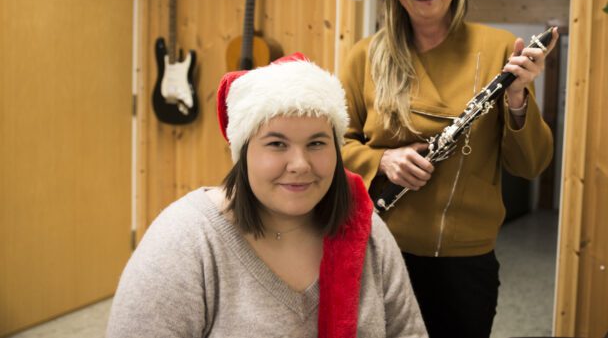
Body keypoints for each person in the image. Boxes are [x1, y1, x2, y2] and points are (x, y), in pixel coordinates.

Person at [337, 0, 557, 338]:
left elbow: (531, 165)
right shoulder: (364, 56)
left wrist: (516, 96)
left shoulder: (498, 48)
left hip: (466, 260)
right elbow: (332, 145)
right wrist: (381, 161)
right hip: (382, 247)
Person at [106, 53, 427, 338]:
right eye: (277, 144)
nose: (300, 165)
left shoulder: (366, 230)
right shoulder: (185, 241)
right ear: (243, 153)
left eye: (316, 143)